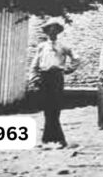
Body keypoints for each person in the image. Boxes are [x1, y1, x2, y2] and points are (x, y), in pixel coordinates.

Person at [30, 17, 79, 149]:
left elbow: (76, 58)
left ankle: (58, 140)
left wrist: (69, 69)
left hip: (57, 77)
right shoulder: (42, 47)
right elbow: (35, 64)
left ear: (58, 32)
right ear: (46, 32)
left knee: (55, 107)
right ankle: (48, 139)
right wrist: (34, 78)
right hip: (44, 77)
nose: (52, 32)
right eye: (50, 29)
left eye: (55, 29)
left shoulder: (63, 46)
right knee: (47, 108)